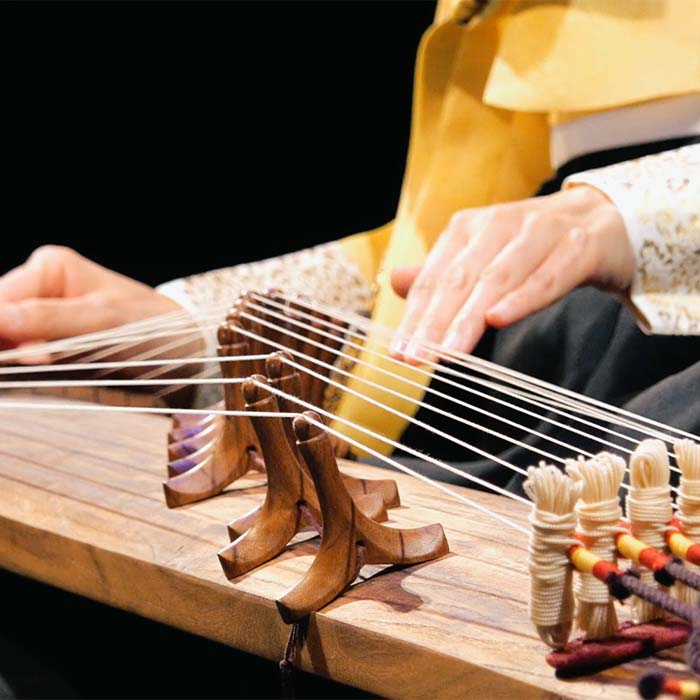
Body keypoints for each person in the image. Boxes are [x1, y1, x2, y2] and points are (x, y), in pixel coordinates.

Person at [0, 0, 699, 482]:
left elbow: (579, 228)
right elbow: (443, 251)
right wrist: (206, 330)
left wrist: (635, 216)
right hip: (536, 389)